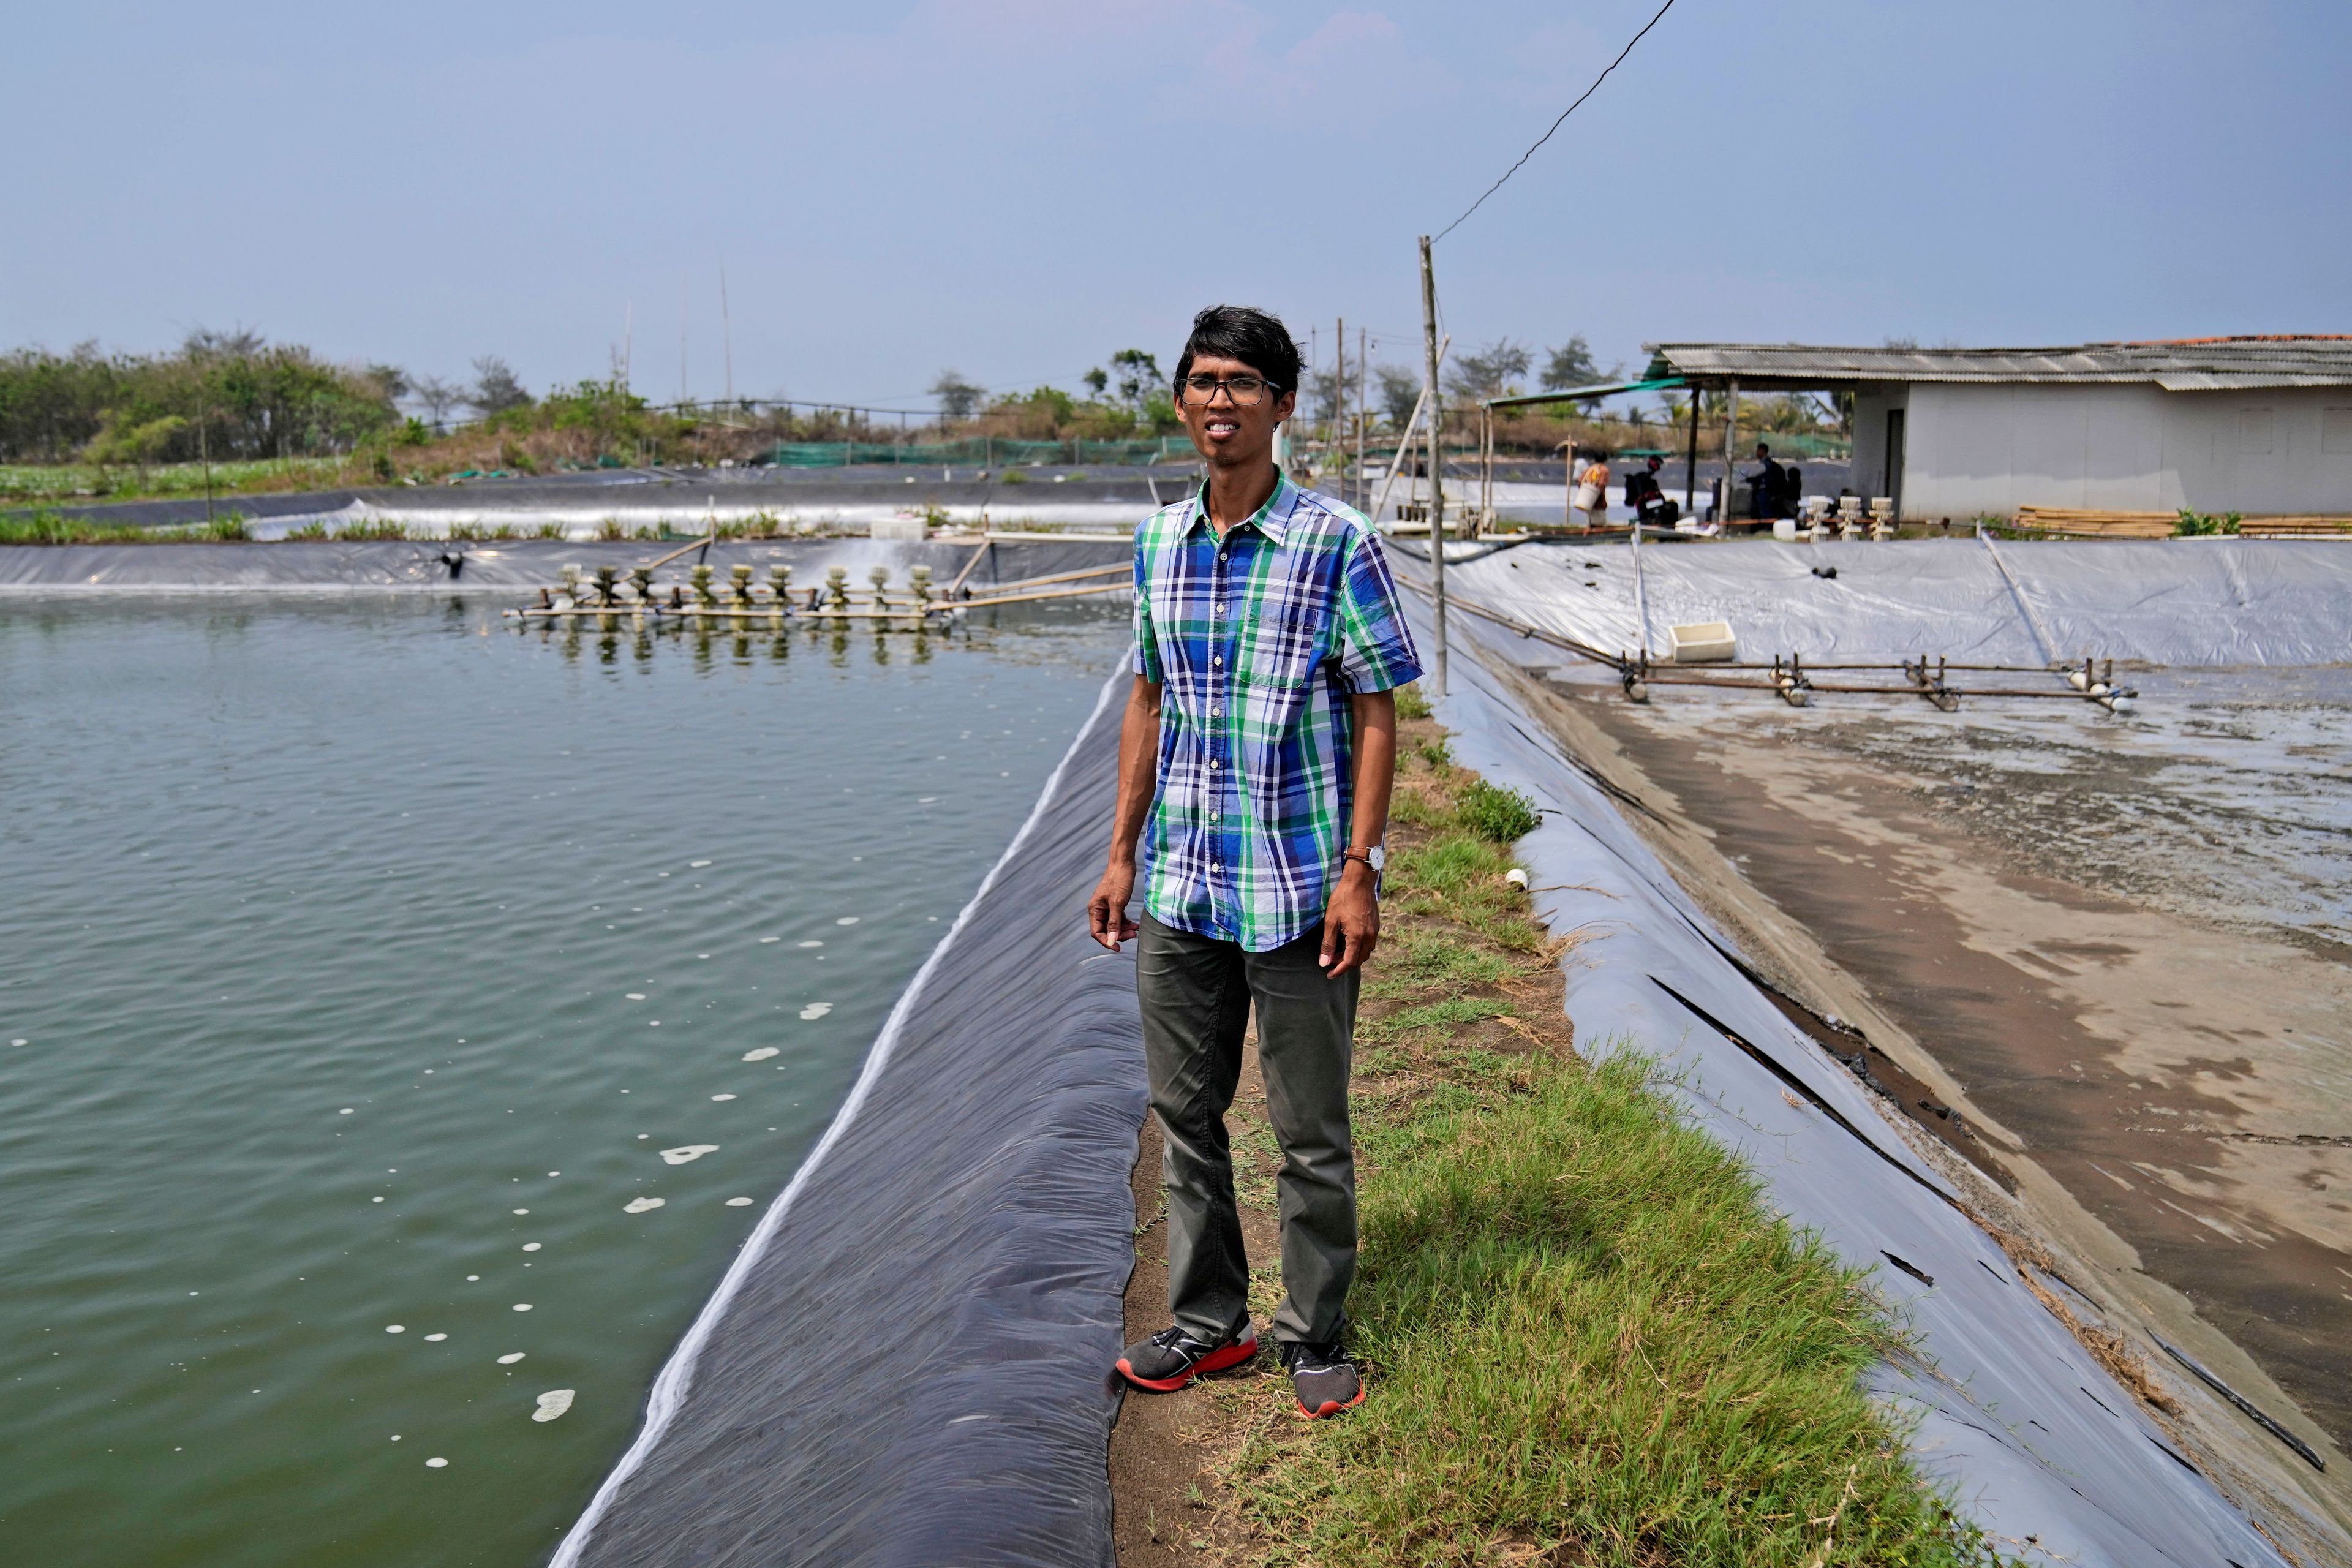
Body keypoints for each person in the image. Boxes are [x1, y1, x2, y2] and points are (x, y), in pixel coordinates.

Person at [1088, 304, 1420, 1420]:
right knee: (1185, 1119)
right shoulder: (1157, 545)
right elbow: (1148, 699)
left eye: (1242, 381)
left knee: (1310, 1132)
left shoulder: (1337, 541)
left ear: (1282, 404)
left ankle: (1315, 1329)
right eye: (1202, 381)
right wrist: (1121, 854)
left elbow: (1377, 710)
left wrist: (1361, 868)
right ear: (1181, 402)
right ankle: (1208, 1321)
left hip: (1296, 892)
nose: (1219, 399)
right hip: (1184, 882)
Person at [1623, 453, 1678, 526]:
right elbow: (1642, 497)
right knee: (1666, 509)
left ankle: (1670, 524)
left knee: (1672, 506)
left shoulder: (1651, 481)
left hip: (1651, 507)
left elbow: (1658, 497)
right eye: (1658, 465)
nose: (1659, 467)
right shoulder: (1641, 478)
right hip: (1645, 510)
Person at [1747, 442, 1790, 521]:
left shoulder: (1766, 464)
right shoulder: (1766, 463)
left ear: (1763, 451)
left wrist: (1750, 479)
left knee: (1765, 512)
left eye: (1758, 450)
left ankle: (1767, 527)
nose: (1756, 452)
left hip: (1765, 490)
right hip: (1767, 491)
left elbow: (1757, 476)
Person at [1575, 456, 1611, 530]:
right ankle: (1598, 539)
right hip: (1598, 502)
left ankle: (1586, 536)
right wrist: (1604, 501)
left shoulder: (1590, 469)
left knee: (1590, 524)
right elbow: (1601, 485)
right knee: (1599, 525)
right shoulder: (1604, 470)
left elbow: (1580, 481)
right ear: (1605, 460)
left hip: (1588, 502)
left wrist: (1585, 494)